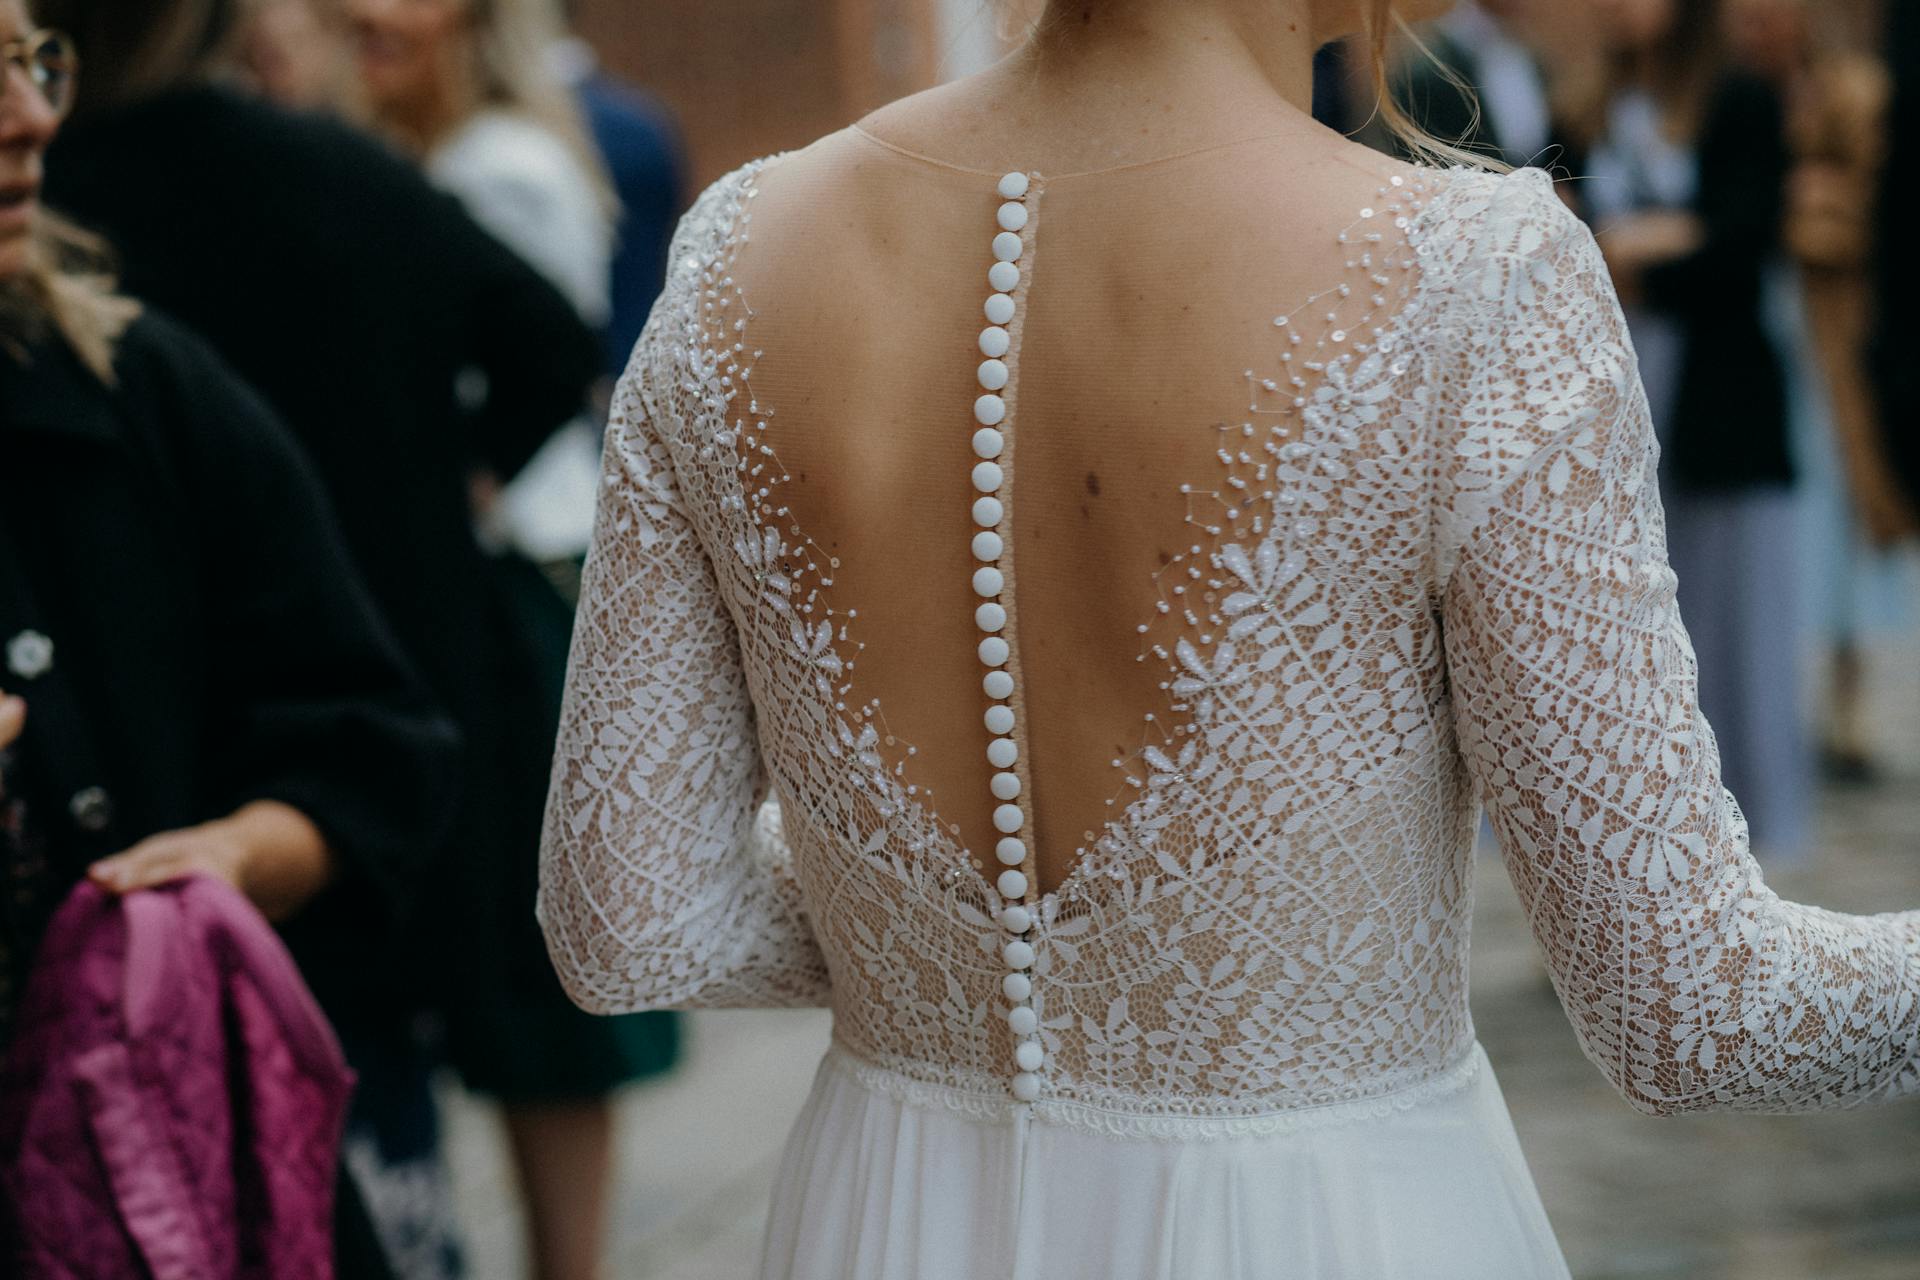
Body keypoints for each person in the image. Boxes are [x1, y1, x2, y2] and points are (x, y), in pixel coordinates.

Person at [536, 0, 1920, 1276]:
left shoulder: (736, 252)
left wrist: (938, 934)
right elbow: (1695, 1008)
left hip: (887, 1213)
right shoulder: (1471, 280)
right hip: (1324, 1219)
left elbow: (629, 926)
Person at [34, 1, 603, 1273]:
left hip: (219, 726)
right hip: (357, 668)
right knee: (363, 1096)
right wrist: (453, 479)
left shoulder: (89, 221)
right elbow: (547, 339)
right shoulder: (325, 172)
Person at [0, 8, 457, 1273]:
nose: (33, 114)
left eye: (35, 56)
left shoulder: (142, 389)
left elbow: (379, 746)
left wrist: (234, 858)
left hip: (195, 1198)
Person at [339, 2, 679, 1277]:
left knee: (547, 992)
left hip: (526, 591)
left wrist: (463, 474)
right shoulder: (441, 155)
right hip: (490, 590)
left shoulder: (502, 165)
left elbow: (552, 352)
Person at [1556, 0, 1811, 860]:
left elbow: (1744, 248)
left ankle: (1749, 843)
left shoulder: (1738, 97)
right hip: (1608, 392)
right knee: (1626, 628)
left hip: (1715, 399)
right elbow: (1556, 235)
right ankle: (1650, 845)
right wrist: (1659, 238)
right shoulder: (1584, 102)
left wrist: (1638, 256)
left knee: (1730, 620)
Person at [1724, 0, 1915, 783]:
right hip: (1761, 325)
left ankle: (1849, 693)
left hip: (1832, 332)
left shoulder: (1851, 91)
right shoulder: (1734, 94)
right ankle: (1787, 700)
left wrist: (1801, 207)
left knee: (1843, 509)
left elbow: (1873, 210)